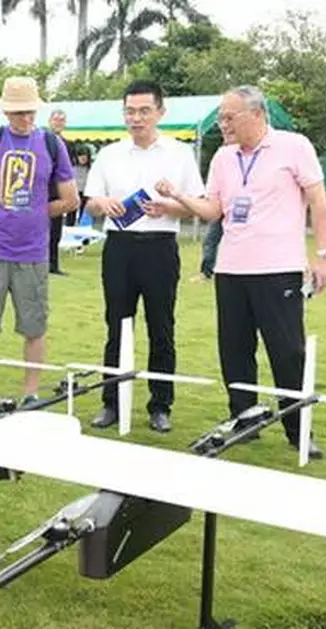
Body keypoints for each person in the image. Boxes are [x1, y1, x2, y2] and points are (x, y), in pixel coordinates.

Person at [156, 85, 326, 459]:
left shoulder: (294, 146)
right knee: (234, 349)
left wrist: (323, 255)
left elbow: (317, 201)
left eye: (228, 117)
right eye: (221, 117)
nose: (223, 124)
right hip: (231, 269)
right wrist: (177, 196)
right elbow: (213, 210)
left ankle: (298, 429)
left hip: (279, 268)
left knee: (287, 352)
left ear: (256, 114)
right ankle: (243, 418)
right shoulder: (223, 157)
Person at [85, 80, 206, 433]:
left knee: (161, 327)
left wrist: (169, 205)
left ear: (159, 113)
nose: (136, 118)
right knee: (117, 325)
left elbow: (197, 204)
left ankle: (160, 404)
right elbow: (91, 200)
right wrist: (102, 204)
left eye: (143, 111)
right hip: (119, 247)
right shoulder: (109, 154)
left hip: (160, 247)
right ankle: (111, 401)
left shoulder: (179, 154)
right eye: (130, 111)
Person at [0, 76, 79, 406]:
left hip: (33, 252)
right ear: (6, 113)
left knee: (34, 326)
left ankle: (30, 392)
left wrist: (39, 210)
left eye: (30, 112)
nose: (25, 119)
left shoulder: (52, 145)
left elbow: (71, 199)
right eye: (18, 113)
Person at [47, 108, 72, 276]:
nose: (58, 123)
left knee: (56, 230)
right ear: (50, 121)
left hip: (60, 191)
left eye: (61, 120)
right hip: (44, 190)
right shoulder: (43, 141)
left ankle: (53, 264)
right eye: (56, 119)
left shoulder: (67, 145)